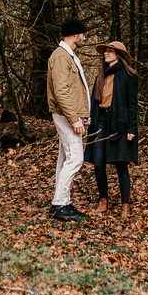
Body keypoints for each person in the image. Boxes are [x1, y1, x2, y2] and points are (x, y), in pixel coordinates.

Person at [85, 41, 139, 219]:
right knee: (98, 162)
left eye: (109, 51)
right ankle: (103, 201)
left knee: (121, 164)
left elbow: (132, 104)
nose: (106, 54)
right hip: (101, 121)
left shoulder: (128, 75)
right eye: (105, 51)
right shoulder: (101, 75)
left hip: (120, 122)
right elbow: (95, 101)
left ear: (119, 55)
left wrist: (131, 127)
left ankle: (125, 206)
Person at [47, 18, 91, 221]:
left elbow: (75, 90)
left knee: (64, 158)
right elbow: (61, 91)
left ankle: (63, 202)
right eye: (83, 34)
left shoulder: (69, 55)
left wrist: (83, 115)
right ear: (75, 34)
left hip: (70, 115)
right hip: (65, 115)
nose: (85, 37)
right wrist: (74, 119)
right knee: (76, 158)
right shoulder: (61, 57)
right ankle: (59, 204)